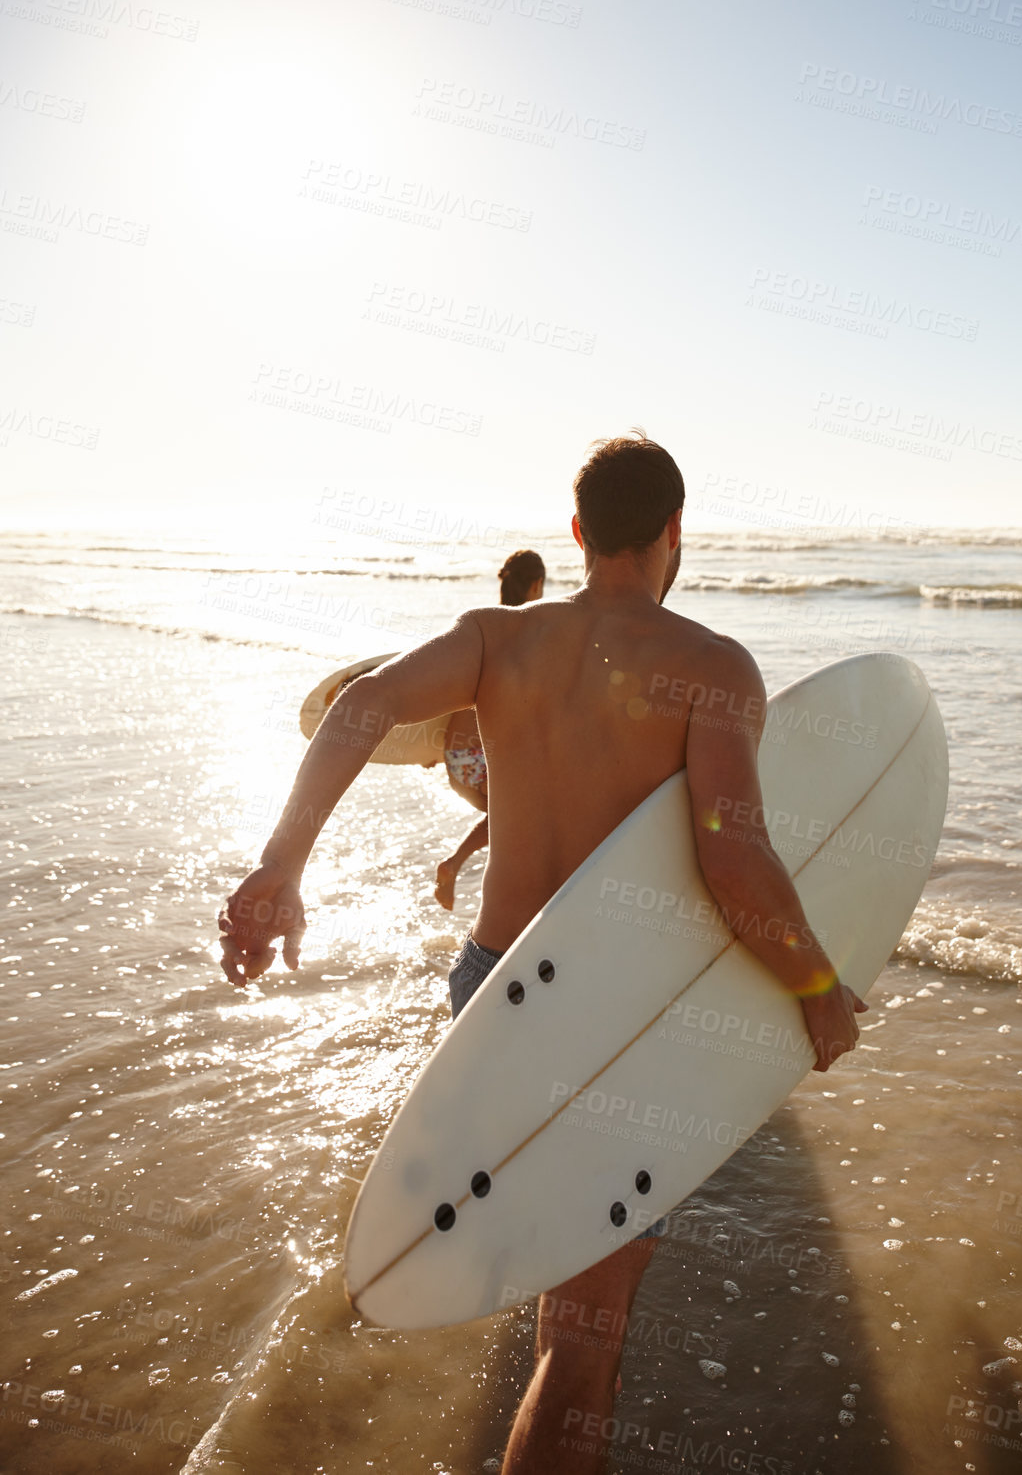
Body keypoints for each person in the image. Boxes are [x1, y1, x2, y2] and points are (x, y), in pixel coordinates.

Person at [217, 433, 866, 1475]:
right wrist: (817, 987)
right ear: (673, 532)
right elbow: (733, 857)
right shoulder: (710, 667)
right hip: (612, 1017)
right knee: (579, 1347)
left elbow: (359, 705)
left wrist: (281, 866)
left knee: (556, 1315)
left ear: (576, 534)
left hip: (489, 989)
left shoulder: (494, 639)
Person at [435, 548, 545, 911]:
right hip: (480, 763)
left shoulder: (484, 629)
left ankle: (479, 884)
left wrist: (431, 750)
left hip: (456, 761)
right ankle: (469, 877)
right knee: (521, 821)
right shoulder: (526, 635)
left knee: (511, 831)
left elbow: (452, 695)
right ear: (536, 585)